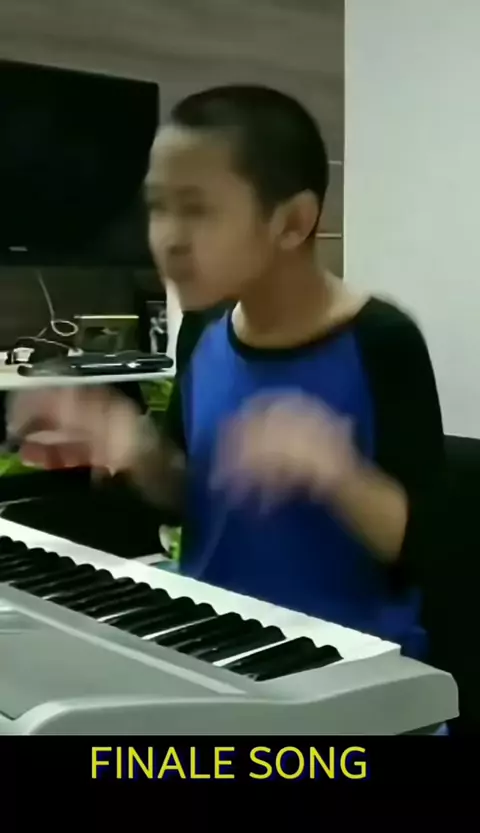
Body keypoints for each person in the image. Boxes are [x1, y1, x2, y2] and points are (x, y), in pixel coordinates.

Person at [8, 84, 445, 665]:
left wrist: (336, 472)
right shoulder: (203, 328)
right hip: (215, 640)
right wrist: (137, 448)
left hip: (348, 664)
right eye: (157, 207)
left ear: (292, 222)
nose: (167, 238)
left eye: (197, 210)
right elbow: (188, 498)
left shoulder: (380, 339)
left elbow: (430, 550)